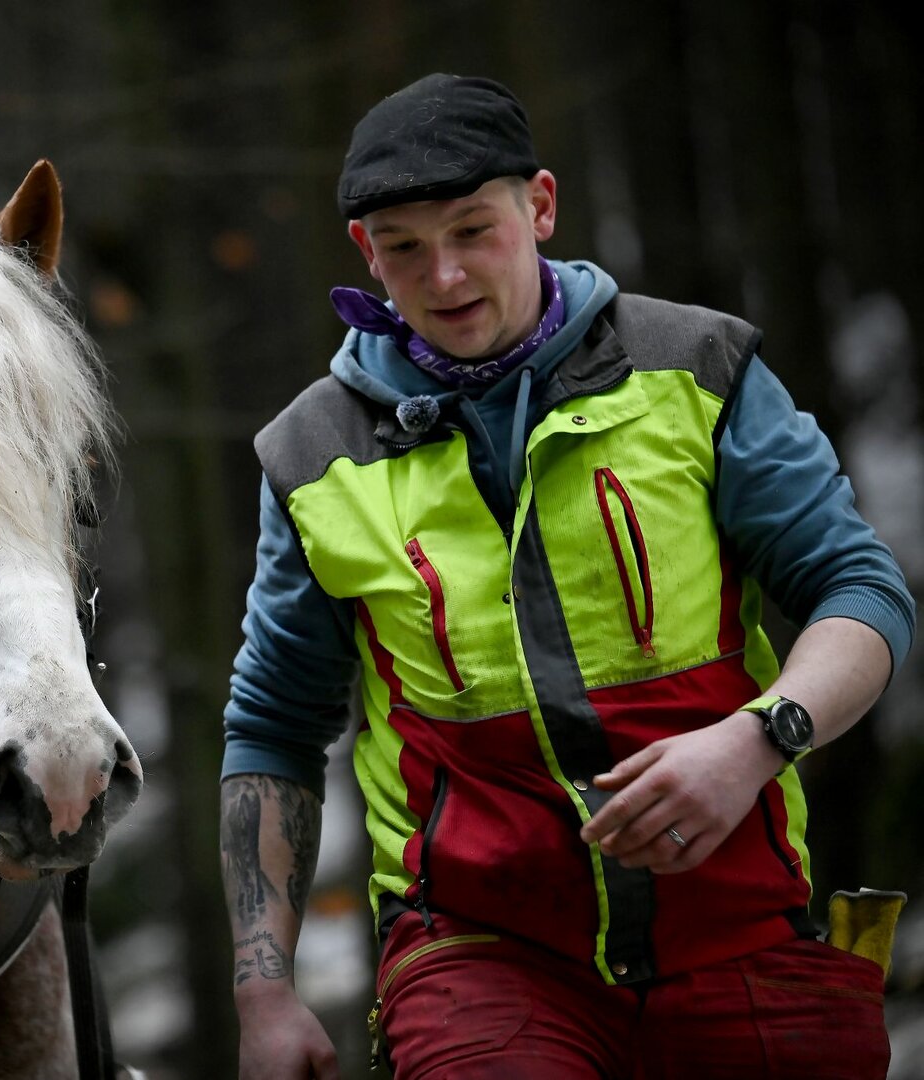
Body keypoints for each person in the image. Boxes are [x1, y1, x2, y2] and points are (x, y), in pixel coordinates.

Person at [220, 72, 914, 1080]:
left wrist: (756, 741)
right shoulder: (311, 455)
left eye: (473, 231)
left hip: (741, 926)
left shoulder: (699, 367)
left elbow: (860, 590)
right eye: (404, 248)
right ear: (366, 253)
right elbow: (273, 730)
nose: (444, 275)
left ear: (540, 205)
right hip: (478, 955)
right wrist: (264, 994)